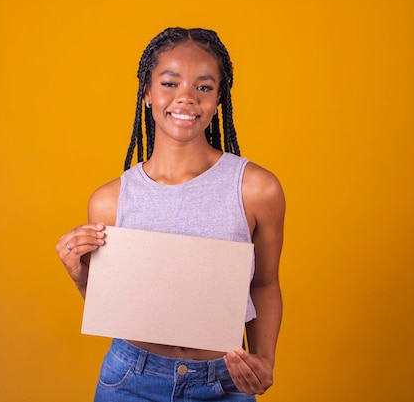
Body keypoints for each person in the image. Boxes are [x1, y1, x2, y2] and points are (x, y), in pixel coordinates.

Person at [55, 27, 285, 401]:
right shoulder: (109, 201)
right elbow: (125, 307)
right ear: (147, 92)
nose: (186, 98)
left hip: (225, 380)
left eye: (204, 87)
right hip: (131, 379)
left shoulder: (256, 190)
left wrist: (265, 360)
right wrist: (82, 278)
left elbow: (264, 284)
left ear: (218, 99)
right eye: (169, 83)